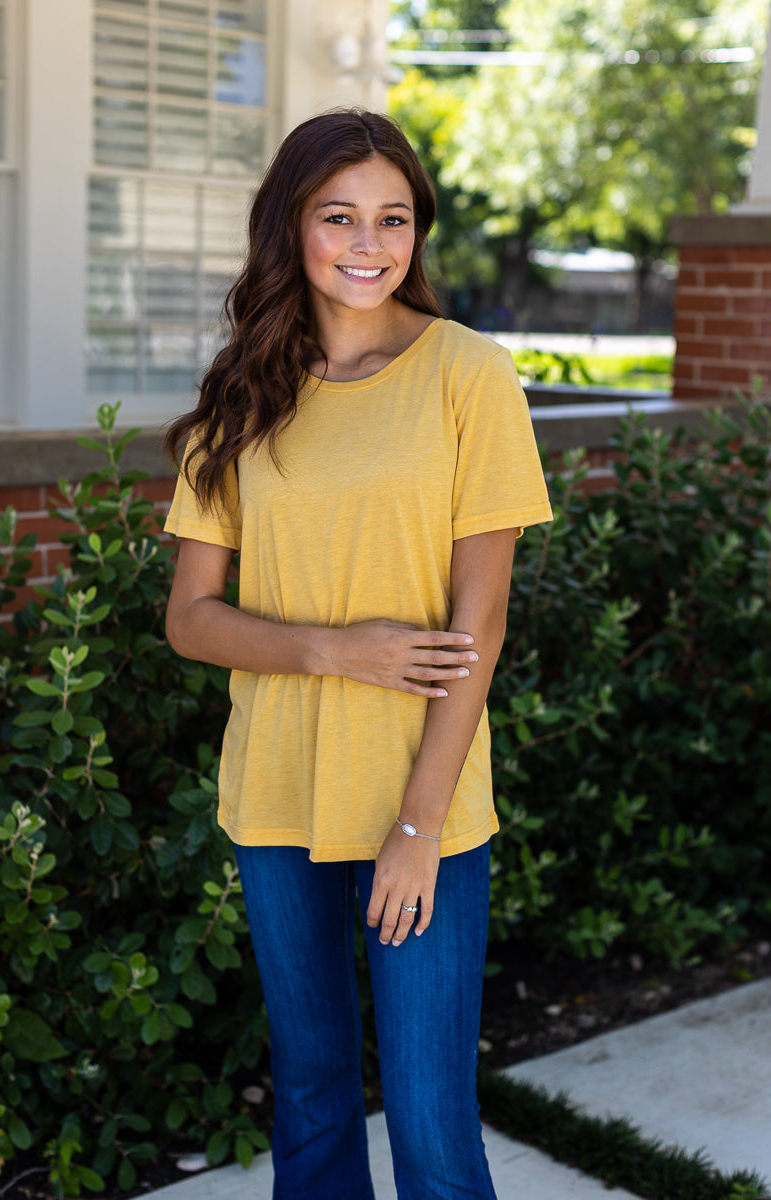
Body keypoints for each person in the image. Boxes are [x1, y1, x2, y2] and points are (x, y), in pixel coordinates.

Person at [163, 108, 553, 1200]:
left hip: (422, 795)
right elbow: (190, 617)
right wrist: (339, 649)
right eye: (338, 216)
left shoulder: (467, 374)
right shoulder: (240, 394)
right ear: (290, 226)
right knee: (312, 1091)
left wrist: (419, 827)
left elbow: (480, 621)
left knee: (430, 1117)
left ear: (417, 231)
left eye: (392, 218)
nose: (368, 243)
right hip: (278, 789)